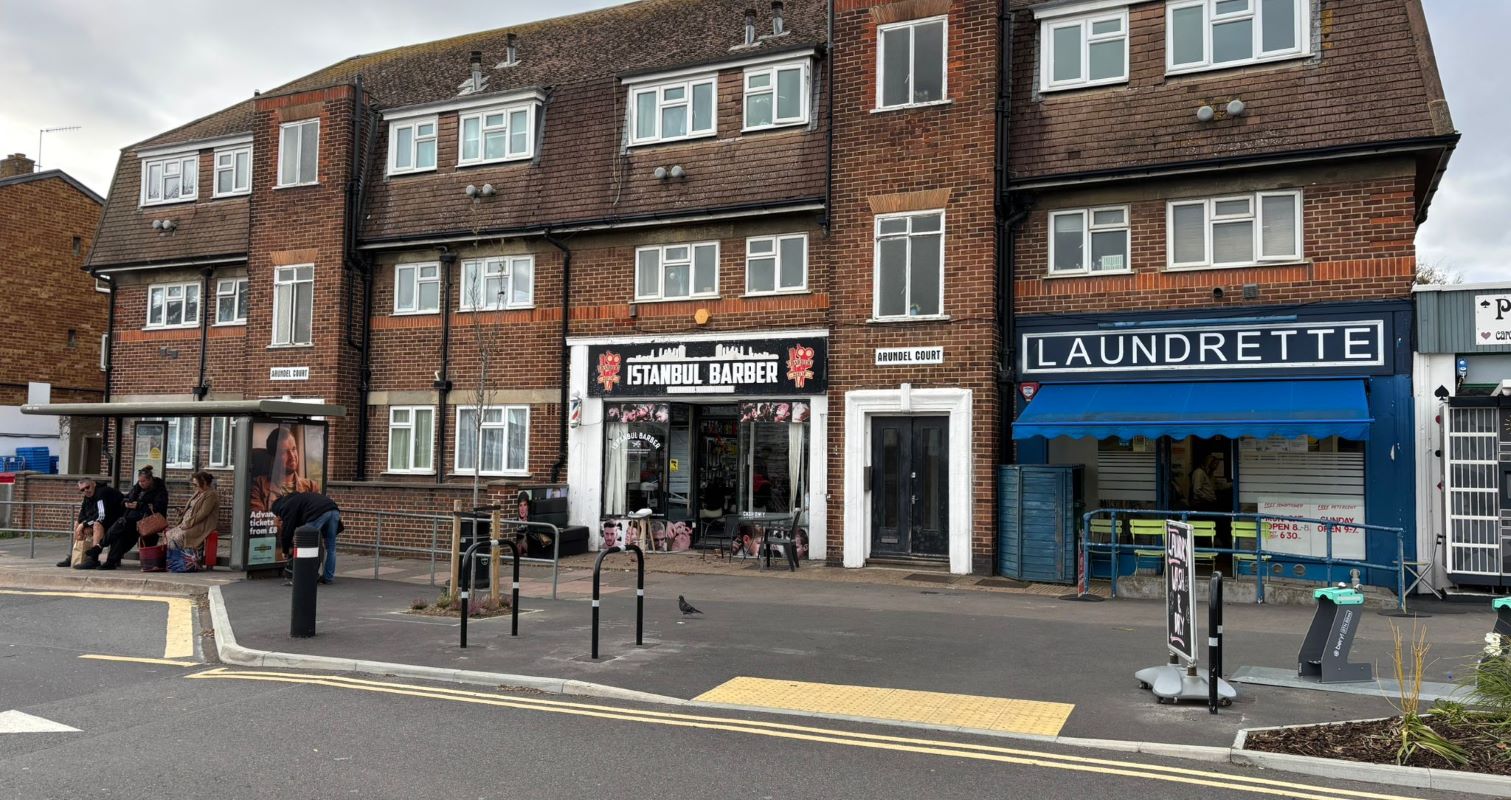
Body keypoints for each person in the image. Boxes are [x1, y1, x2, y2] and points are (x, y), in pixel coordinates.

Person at [98, 466, 169, 571]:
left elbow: (159, 507)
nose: (141, 483)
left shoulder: (159, 490)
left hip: (147, 522)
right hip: (132, 520)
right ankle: (110, 561)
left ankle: (101, 546)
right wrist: (126, 502)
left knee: (121, 524)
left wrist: (139, 505)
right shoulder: (137, 488)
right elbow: (127, 497)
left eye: (143, 481)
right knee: (121, 533)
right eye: (139, 481)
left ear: (150, 480)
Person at [271, 491, 341, 584]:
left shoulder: (286, 507)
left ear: (278, 509)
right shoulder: (297, 499)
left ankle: (308, 575)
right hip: (333, 509)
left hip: (319, 512)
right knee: (331, 547)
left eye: (278, 516)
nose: (280, 519)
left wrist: (285, 551)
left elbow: (287, 530)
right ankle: (328, 578)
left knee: (306, 544)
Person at [62, 478, 125, 570]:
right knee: (77, 524)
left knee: (97, 525)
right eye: (82, 490)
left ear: (94, 484)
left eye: (87, 487)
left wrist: (84, 524)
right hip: (107, 521)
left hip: (118, 522)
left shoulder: (101, 493)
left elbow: (101, 516)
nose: (86, 491)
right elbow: (82, 514)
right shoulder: (87, 497)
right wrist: (82, 524)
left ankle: (93, 559)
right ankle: (76, 555)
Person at [251, 427, 318, 513]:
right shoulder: (259, 485)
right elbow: (257, 518)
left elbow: (318, 517)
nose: (292, 456)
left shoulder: (311, 487)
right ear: (273, 458)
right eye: (284, 452)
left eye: (294, 449)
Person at [164, 471, 220, 553]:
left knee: (179, 536)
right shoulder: (198, 492)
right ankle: (174, 558)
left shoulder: (211, 494)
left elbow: (203, 513)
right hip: (189, 523)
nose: (194, 487)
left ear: (204, 483)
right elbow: (192, 507)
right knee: (169, 534)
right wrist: (183, 512)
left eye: (196, 485)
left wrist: (188, 524)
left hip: (200, 524)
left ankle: (182, 558)